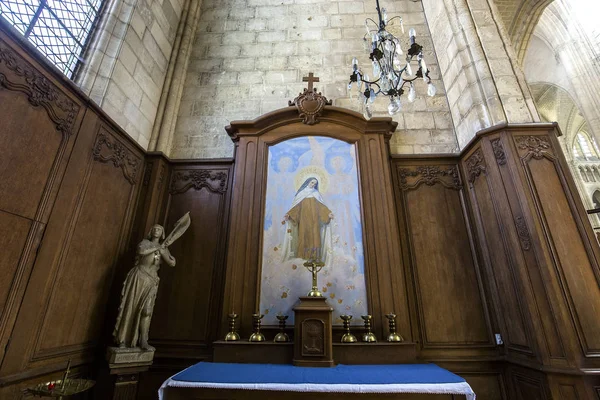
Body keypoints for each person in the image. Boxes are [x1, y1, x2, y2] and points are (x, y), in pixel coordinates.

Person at [113, 224, 176, 350]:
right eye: (155, 229)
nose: (156, 231)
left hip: (152, 280)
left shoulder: (163, 247)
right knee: (131, 307)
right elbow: (141, 251)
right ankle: (123, 339)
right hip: (139, 277)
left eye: (159, 229)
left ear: (162, 233)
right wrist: (157, 248)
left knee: (147, 310)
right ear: (151, 231)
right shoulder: (145, 243)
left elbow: (172, 263)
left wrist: (165, 252)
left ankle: (143, 341)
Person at [281, 177, 334, 262]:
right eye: (312, 182)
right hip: (304, 222)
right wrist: (289, 214)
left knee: (315, 238)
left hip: (314, 222)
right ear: (307, 182)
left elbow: (321, 207)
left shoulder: (316, 194)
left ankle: (314, 258)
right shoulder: (301, 194)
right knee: (303, 238)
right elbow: (296, 208)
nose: (313, 184)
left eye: (315, 183)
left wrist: (328, 213)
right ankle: (302, 258)